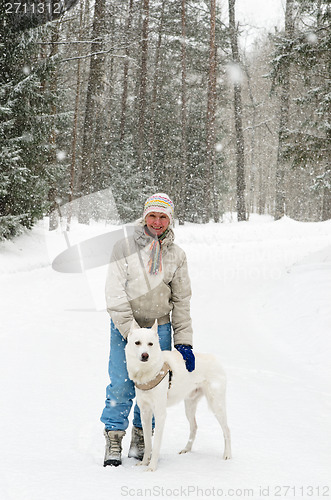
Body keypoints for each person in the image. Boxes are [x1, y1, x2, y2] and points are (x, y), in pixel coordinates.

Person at [101, 193, 195, 467]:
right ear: (144, 217)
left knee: (155, 389)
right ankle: (114, 436)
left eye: (163, 216)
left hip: (159, 331)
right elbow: (114, 291)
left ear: (170, 220)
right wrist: (131, 331)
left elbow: (181, 300)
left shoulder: (176, 255)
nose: (157, 221)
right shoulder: (124, 247)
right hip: (125, 329)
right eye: (152, 215)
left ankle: (143, 437)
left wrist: (184, 342)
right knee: (121, 384)